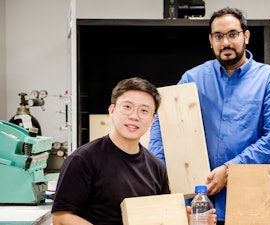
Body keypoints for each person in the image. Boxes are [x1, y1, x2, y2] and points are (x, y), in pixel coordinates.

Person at [148, 7, 270, 224]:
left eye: (233, 34)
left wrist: (229, 170)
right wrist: (164, 171)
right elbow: (164, 125)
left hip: (249, 200)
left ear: (246, 36)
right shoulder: (192, 78)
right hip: (197, 204)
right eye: (218, 36)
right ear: (210, 40)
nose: (226, 43)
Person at [51, 77, 216, 225]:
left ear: (152, 119)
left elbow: (160, 218)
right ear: (112, 110)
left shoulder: (156, 167)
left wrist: (184, 220)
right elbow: (61, 217)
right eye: (127, 107)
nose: (134, 116)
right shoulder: (83, 159)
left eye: (144, 110)